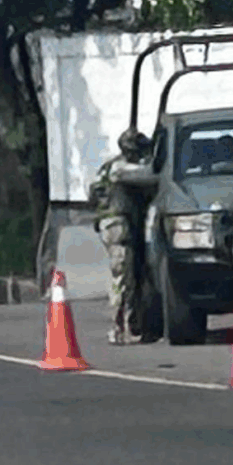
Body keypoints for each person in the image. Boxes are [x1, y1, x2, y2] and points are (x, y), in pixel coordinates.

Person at [90, 127, 157, 345]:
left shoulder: (108, 167)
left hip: (111, 225)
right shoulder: (121, 169)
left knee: (126, 275)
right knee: (123, 278)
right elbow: (151, 177)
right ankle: (121, 330)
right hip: (119, 225)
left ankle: (129, 326)